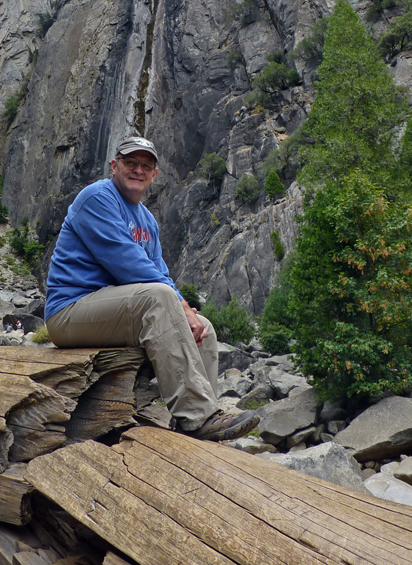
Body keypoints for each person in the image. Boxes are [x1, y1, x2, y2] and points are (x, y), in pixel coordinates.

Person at [44, 135, 259, 441]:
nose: (138, 170)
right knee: (161, 299)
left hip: (114, 313)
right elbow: (128, 264)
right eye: (130, 163)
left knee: (204, 328)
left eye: (146, 165)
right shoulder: (97, 198)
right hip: (69, 312)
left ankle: (205, 425)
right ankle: (197, 417)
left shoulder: (147, 220)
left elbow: (159, 273)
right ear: (114, 165)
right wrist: (179, 305)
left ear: (155, 174)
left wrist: (185, 310)